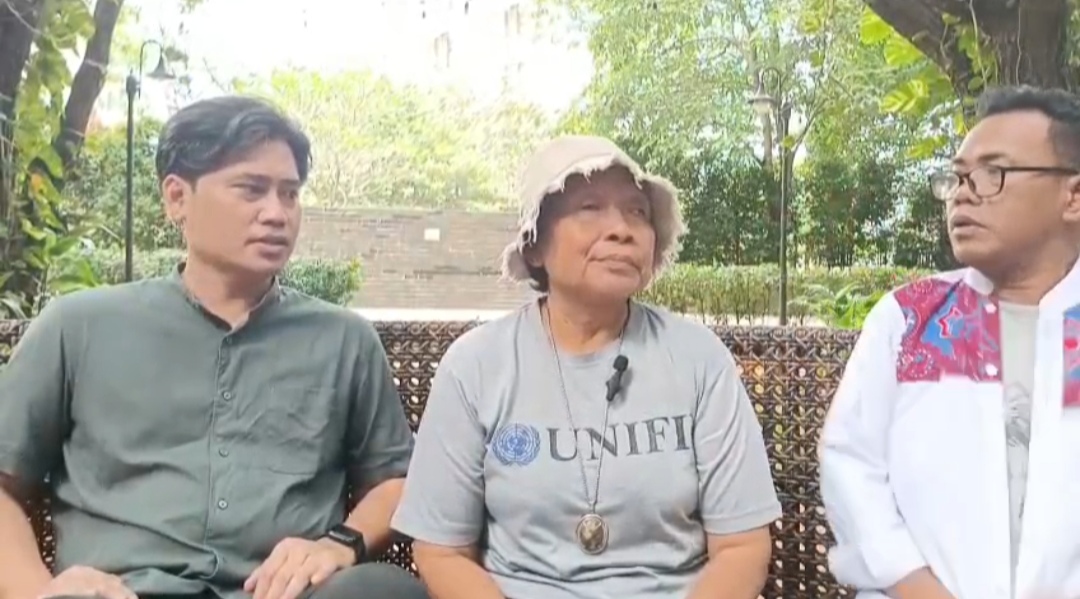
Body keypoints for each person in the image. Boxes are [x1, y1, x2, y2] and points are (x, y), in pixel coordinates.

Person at [0, 96, 429, 599]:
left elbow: (396, 481)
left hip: (284, 595)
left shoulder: (343, 340)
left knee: (382, 589)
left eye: (289, 194)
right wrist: (38, 592)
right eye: (251, 189)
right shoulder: (79, 327)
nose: (276, 213)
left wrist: (340, 544)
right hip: (123, 591)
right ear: (177, 198)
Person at [390, 135, 781, 599]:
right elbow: (442, 551)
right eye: (589, 207)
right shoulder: (475, 366)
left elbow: (741, 547)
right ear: (534, 246)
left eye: (637, 211)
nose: (621, 229)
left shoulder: (700, 360)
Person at [819, 85, 1080, 599]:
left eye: (992, 173)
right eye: (958, 177)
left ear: (1072, 197)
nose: (963, 193)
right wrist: (915, 585)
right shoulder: (908, 319)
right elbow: (850, 462)